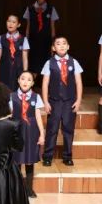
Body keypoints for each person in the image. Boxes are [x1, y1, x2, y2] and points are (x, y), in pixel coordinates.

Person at [40, 36, 82, 167]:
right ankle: (47, 156)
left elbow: (78, 82)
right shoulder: (49, 63)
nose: (62, 46)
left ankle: (67, 156)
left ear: (68, 46)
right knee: (52, 129)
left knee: (68, 129)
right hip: (54, 101)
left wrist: (78, 100)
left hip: (69, 101)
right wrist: (45, 101)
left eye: (64, 43)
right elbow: (45, 83)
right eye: (58, 44)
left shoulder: (74, 62)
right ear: (53, 48)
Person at [9, 71, 44, 197]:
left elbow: (38, 116)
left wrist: (42, 134)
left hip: (31, 132)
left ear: (33, 83)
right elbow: (9, 115)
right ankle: (17, 190)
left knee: (29, 160)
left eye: (29, 80)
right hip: (17, 131)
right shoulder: (12, 96)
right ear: (18, 80)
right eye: (23, 78)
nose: (25, 82)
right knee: (17, 160)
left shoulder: (36, 97)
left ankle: (29, 189)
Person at [23, 0, 59, 75]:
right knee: (32, 68)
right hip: (33, 43)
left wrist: (53, 44)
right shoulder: (30, 9)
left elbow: (52, 28)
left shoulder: (51, 9)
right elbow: (28, 28)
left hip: (46, 43)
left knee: (46, 68)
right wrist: (26, 43)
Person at [0, 15, 29, 92]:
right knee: (4, 92)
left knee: (17, 92)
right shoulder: (1, 38)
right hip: (4, 70)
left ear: (18, 25)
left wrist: (25, 74)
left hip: (18, 70)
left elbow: (25, 58)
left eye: (13, 22)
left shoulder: (23, 39)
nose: (10, 24)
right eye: (9, 21)